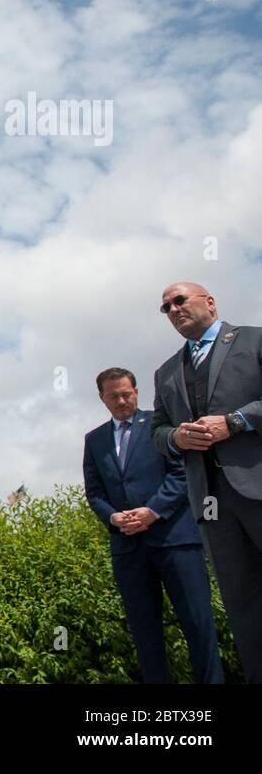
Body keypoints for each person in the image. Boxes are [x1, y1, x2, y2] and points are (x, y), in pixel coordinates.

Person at [150, 282, 262, 682]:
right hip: (212, 505)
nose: (173, 309)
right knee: (243, 605)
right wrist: (175, 439)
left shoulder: (254, 340)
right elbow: (158, 432)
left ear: (210, 302)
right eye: (165, 308)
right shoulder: (166, 372)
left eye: (180, 300)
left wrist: (236, 421)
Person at [83, 366, 223, 683]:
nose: (122, 401)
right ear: (102, 397)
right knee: (144, 632)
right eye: (114, 395)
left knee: (198, 624)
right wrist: (113, 517)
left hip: (176, 539)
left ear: (136, 391)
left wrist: (152, 511)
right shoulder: (94, 440)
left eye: (127, 393)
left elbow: (182, 474)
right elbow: (94, 491)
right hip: (128, 547)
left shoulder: (161, 429)